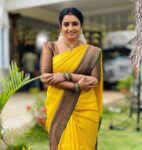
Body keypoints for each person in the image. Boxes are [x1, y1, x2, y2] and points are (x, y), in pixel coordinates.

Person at [40, 7, 103, 150]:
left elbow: (94, 80)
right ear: (60, 26)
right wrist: (76, 86)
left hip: (86, 108)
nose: (70, 28)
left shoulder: (92, 52)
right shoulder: (50, 47)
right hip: (59, 106)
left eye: (75, 23)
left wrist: (65, 75)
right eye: (66, 24)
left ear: (81, 26)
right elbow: (45, 78)